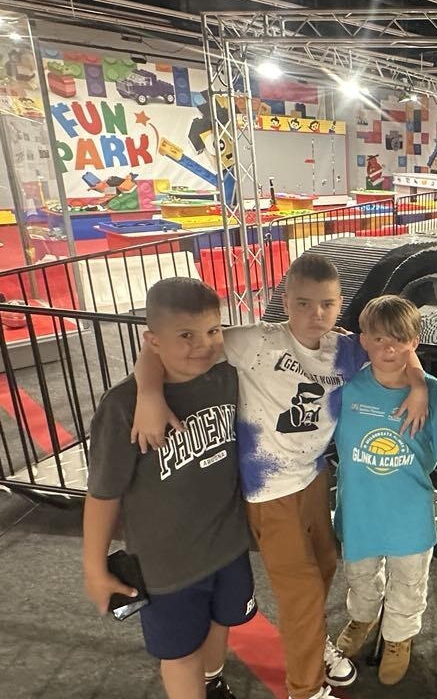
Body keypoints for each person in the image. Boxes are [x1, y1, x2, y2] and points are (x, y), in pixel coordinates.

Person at [131, 254, 429, 699]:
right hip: (268, 492)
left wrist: (419, 383)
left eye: (326, 304)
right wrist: (148, 393)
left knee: (324, 565)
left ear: (340, 305)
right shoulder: (258, 341)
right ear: (285, 302)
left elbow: (401, 347)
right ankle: (305, 689)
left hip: (314, 479)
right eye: (303, 303)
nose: (316, 314)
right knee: (302, 593)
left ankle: (312, 643)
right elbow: (157, 346)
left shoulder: (345, 348)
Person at [83, 277, 255, 699]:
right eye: (186, 336)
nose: (204, 344)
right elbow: (103, 493)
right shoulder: (123, 407)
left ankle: (213, 682)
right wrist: (94, 567)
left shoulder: (227, 378)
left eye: (212, 330)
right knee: (179, 654)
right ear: (153, 341)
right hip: (167, 566)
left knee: (222, 622)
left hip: (228, 546)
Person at [332, 295, 437, 686]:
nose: (388, 348)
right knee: (360, 576)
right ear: (363, 339)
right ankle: (363, 617)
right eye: (379, 338)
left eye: (399, 339)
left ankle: (399, 637)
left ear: (414, 342)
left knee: (409, 582)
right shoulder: (347, 386)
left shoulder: (432, 392)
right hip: (359, 509)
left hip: (408, 512)